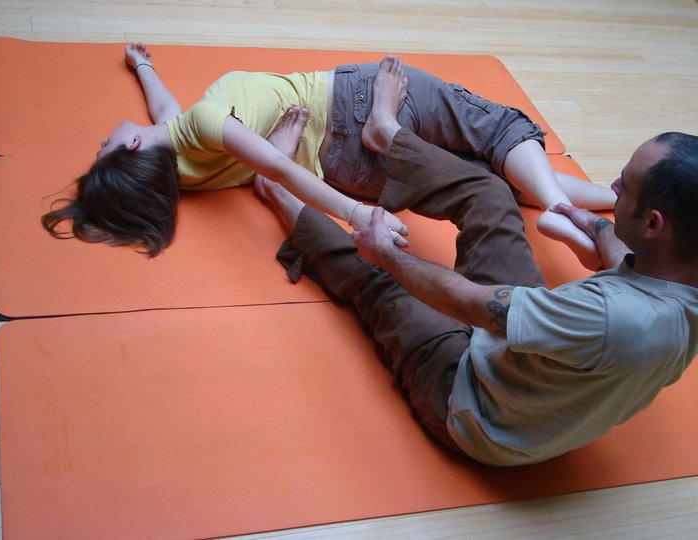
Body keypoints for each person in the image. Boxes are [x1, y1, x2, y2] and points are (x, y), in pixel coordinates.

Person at [254, 61, 698, 465]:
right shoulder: (681, 276)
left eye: (625, 186)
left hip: (472, 406)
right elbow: (622, 263)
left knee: (381, 278)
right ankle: (386, 134)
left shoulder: (611, 317)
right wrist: (596, 226)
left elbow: (467, 303)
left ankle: (274, 186)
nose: (613, 187)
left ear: (654, 224)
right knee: (490, 193)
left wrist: (386, 254)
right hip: (531, 364)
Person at [41, 43, 614, 266]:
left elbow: (166, 108)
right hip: (354, 106)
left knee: (487, 179)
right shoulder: (206, 121)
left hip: (348, 170)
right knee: (501, 129)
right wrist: (360, 215)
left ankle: (602, 202)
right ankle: (561, 208)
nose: (101, 140)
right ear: (132, 145)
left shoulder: (180, 171)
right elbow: (277, 168)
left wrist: (143, 66)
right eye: (104, 148)